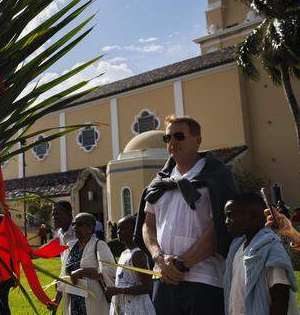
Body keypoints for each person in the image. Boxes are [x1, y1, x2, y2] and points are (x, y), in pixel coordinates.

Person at [134, 115, 240, 315]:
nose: (172, 142)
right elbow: (148, 224)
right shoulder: (159, 183)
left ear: (198, 140)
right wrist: (158, 257)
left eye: (179, 136)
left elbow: (220, 225)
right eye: (168, 138)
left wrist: (183, 264)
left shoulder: (217, 177)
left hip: (204, 280)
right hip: (163, 278)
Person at [224, 195, 298, 315]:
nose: (226, 221)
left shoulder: (270, 249)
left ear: (253, 217)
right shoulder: (236, 249)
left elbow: (281, 297)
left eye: (231, 215)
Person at [54, 212, 115, 314]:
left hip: (94, 299)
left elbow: (109, 272)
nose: (75, 228)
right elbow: (63, 274)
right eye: (74, 224)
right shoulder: (70, 246)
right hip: (74, 300)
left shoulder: (100, 245)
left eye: (79, 225)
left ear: (91, 228)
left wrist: (82, 272)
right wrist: (56, 299)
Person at [105, 215, 155, 315]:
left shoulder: (137, 255)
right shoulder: (124, 254)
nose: (118, 232)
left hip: (137, 309)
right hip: (123, 307)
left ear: (134, 231)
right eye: (118, 228)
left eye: (123, 228)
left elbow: (147, 287)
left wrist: (119, 290)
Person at [49, 201, 76, 308]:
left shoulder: (79, 233)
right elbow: (65, 268)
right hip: (69, 287)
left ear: (69, 214)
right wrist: (57, 298)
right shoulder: (59, 234)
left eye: (57, 213)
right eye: (53, 214)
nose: (54, 217)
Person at [0, 214, 15, 315]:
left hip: (3, 278)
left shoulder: (3, 240)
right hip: (4, 278)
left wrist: (1, 277)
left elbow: (4, 261)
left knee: (2, 303)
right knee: (1, 303)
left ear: (0, 226)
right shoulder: (2, 239)